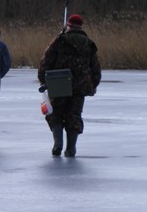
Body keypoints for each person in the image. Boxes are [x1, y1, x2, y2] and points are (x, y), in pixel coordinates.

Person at [38, 14, 102, 157]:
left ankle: (58, 144)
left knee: (55, 114)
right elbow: (96, 69)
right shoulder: (89, 44)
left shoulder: (59, 41)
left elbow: (45, 62)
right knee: (74, 116)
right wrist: (92, 85)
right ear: (81, 26)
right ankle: (71, 148)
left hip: (58, 83)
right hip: (80, 87)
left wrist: (43, 81)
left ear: (68, 25)